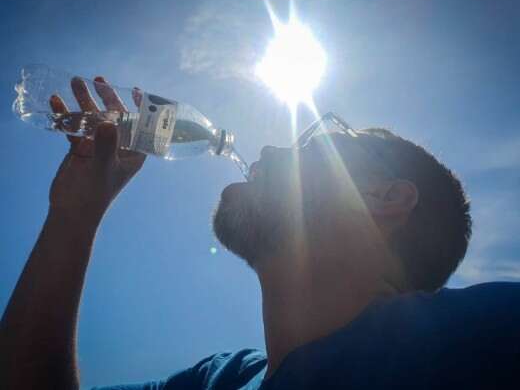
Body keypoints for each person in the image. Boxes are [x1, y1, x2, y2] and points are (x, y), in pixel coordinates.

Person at [0, 77, 518, 390]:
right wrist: (75, 214)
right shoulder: (221, 380)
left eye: (314, 144)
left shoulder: (477, 336)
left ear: (386, 199)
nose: (269, 152)